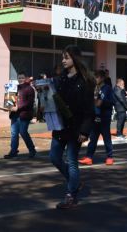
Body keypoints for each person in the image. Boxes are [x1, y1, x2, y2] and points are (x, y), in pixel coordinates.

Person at [49, 45, 95, 209]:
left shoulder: (86, 81)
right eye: (63, 57)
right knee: (54, 157)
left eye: (66, 57)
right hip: (60, 126)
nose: (63, 60)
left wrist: (84, 130)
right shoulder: (60, 79)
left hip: (76, 127)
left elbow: (90, 109)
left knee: (72, 161)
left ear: (74, 58)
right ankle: (75, 182)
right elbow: (54, 100)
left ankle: (71, 196)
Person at [79, 70, 114, 166]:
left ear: (102, 78)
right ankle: (89, 157)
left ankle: (110, 157)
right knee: (93, 138)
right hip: (95, 116)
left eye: (97, 77)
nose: (95, 79)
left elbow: (98, 103)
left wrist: (94, 100)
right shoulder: (95, 88)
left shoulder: (107, 88)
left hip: (104, 117)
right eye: (94, 77)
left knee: (106, 137)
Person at [4, 72, 37, 159]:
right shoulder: (15, 88)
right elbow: (10, 99)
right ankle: (13, 151)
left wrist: (18, 107)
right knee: (14, 133)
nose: (20, 79)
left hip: (24, 115)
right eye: (19, 78)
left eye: (22, 78)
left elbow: (29, 103)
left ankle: (32, 150)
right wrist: (8, 105)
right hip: (15, 114)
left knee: (23, 132)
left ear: (26, 78)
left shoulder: (29, 89)